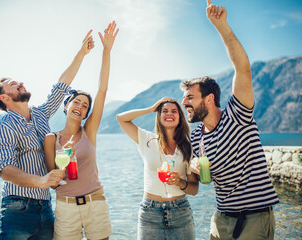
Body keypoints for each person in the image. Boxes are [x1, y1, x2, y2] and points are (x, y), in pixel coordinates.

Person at [180, 1, 279, 239]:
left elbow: (242, 69)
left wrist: (221, 26)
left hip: (255, 216)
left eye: (190, 98)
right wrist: (193, 169)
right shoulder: (196, 136)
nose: (184, 104)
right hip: (222, 217)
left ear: (209, 98)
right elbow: (206, 180)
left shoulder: (238, 115)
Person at [0, 30, 94, 239]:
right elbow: (5, 169)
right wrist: (40, 181)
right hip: (17, 207)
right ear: (4, 97)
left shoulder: (40, 114)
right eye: (13, 84)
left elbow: (60, 87)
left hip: (45, 207)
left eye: (18, 81)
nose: (20, 83)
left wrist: (81, 53)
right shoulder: (5, 127)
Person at [44, 21, 118, 240]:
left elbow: (102, 89)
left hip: (96, 202)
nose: (80, 107)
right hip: (66, 208)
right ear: (66, 105)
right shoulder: (51, 138)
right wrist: (63, 159)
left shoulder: (89, 131)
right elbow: (52, 180)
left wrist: (106, 50)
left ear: (86, 113)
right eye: (76, 102)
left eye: (85, 106)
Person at [116, 97, 199, 239]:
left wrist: (179, 182)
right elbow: (121, 118)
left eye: (174, 111)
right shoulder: (146, 139)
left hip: (180, 212)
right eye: (164, 111)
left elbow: (194, 189)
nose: (169, 114)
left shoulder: (188, 146)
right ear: (158, 115)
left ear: (180, 117)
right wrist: (151, 109)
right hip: (150, 213)